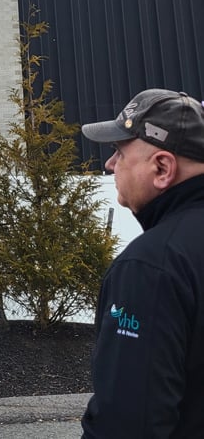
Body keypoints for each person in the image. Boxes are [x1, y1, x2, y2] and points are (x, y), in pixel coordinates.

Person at [80, 88, 204, 438]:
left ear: (162, 168)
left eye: (119, 151)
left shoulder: (151, 266)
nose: (109, 165)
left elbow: (128, 423)